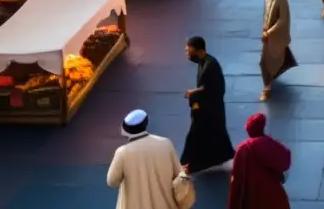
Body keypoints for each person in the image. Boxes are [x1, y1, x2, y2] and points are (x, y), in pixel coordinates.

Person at [107, 109, 184, 209]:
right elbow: (179, 174)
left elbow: (111, 181)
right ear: (146, 124)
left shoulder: (122, 152)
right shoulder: (166, 144)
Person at [181, 36, 235, 173]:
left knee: (196, 134)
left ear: (198, 49)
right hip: (209, 108)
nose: (186, 51)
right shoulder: (203, 62)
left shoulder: (211, 66)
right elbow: (207, 86)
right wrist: (194, 92)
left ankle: (188, 163)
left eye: (189, 49)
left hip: (209, 109)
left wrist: (194, 94)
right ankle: (218, 157)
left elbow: (212, 89)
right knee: (214, 134)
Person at [227, 113, 291, 209]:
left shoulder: (243, 149)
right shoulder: (271, 145)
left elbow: (236, 179)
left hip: (251, 195)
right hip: (272, 193)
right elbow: (285, 161)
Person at [260, 0, 297, 100]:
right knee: (275, 57)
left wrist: (269, 32)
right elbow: (267, 14)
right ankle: (273, 74)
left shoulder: (282, 1)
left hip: (275, 36)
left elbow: (282, 21)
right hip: (268, 36)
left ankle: (267, 87)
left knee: (264, 62)